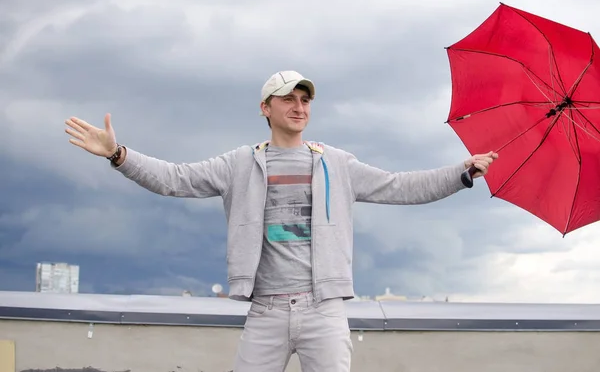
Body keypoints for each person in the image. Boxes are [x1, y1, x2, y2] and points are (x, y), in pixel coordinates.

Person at [64, 70, 498, 372]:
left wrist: (461, 173)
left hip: (324, 311)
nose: (299, 106)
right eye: (288, 99)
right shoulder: (239, 163)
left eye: (305, 99)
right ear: (265, 108)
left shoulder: (336, 164)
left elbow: (401, 186)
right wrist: (118, 155)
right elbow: (176, 180)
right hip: (266, 311)